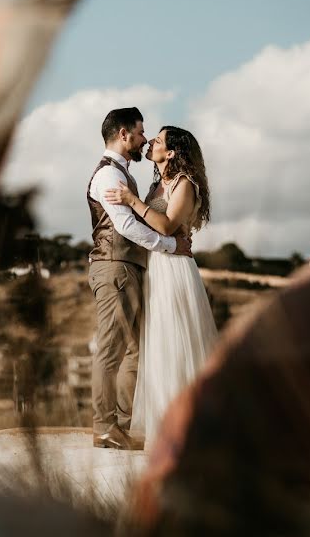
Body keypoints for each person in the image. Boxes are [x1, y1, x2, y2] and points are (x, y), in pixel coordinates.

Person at [104, 125, 219, 450]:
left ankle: (185, 432)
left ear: (170, 153)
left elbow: (167, 225)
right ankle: (163, 429)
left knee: (175, 342)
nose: (151, 142)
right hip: (154, 266)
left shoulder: (185, 184)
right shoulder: (157, 183)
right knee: (155, 345)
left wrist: (130, 200)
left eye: (158, 139)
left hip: (174, 270)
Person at [86, 109, 192, 450]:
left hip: (128, 268)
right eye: (141, 132)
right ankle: (105, 427)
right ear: (123, 134)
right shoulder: (108, 177)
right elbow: (126, 226)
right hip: (114, 265)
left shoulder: (125, 175)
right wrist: (169, 245)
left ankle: (121, 426)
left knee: (134, 351)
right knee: (111, 350)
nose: (145, 139)